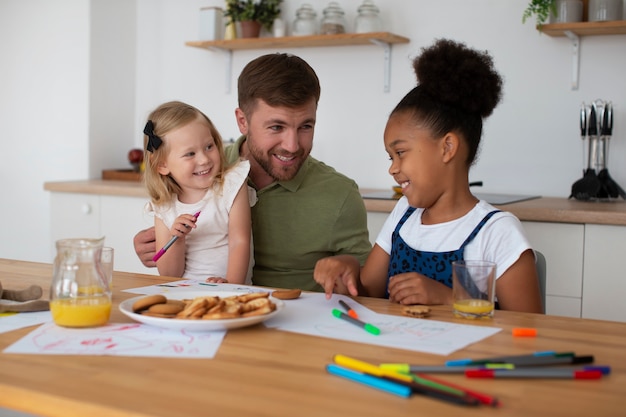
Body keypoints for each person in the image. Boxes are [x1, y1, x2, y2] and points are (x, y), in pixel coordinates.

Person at [313, 39, 543, 313]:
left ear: (447, 148)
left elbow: (530, 328)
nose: (393, 168)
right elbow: (369, 293)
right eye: (391, 157)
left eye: (400, 153)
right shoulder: (404, 215)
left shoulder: (496, 232)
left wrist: (450, 297)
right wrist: (348, 271)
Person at [134, 54, 372, 291]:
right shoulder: (202, 172)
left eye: (305, 126)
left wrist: (349, 270)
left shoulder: (340, 195)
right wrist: (154, 243)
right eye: (276, 127)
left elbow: (369, 288)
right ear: (242, 121)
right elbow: (172, 230)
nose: (292, 145)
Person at [142, 101, 254, 284]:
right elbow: (169, 274)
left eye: (209, 146)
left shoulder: (231, 185)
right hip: (183, 295)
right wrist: (176, 240)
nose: (204, 159)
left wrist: (232, 286)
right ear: (162, 164)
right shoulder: (164, 207)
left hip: (229, 292)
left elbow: (239, 242)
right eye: (190, 154)